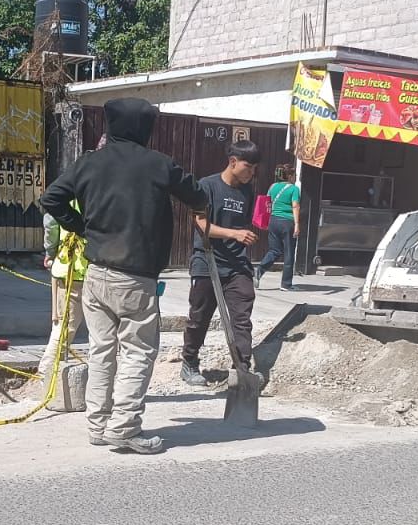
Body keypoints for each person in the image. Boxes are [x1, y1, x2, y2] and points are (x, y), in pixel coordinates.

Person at [39, 98, 208, 454]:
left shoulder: (89, 162)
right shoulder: (158, 165)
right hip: (135, 277)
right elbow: (197, 194)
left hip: (97, 274)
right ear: (144, 128)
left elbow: (51, 198)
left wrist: (81, 227)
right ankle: (125, 427)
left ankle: (98, 425)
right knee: (138, 352)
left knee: (102, 351)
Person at [181, 141, 261, 387]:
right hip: (207, 261)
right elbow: (201, 223)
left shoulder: (248, 191)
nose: (251, 173)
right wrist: (234, 234)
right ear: (233, 162)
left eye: (254, 168)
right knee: (200, 315)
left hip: (237, 264)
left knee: (241, 315)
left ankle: (241, 368)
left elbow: (247, 223)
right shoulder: (207, 186)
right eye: (248, 167)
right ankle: (190, 361)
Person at [39, 205, 88, 377]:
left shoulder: (68, 192)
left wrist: (50, 252)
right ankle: (46, 374)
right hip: (81, 270)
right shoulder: (101, 189)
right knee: (66, 327)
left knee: (63, 326)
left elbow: (51, 222)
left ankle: (47, 375)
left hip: (67, 267)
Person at [256, 163, 300, 290]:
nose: (295, 177)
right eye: (294, 175)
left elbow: (267, 204)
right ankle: (286, 284)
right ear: (290, 176)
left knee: (274, 250)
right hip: (287, 222)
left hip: (273, 221)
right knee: (289, 253)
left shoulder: (272, 187)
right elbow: (295, 206)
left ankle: (259, 270)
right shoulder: (294, 189)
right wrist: (297, 224)